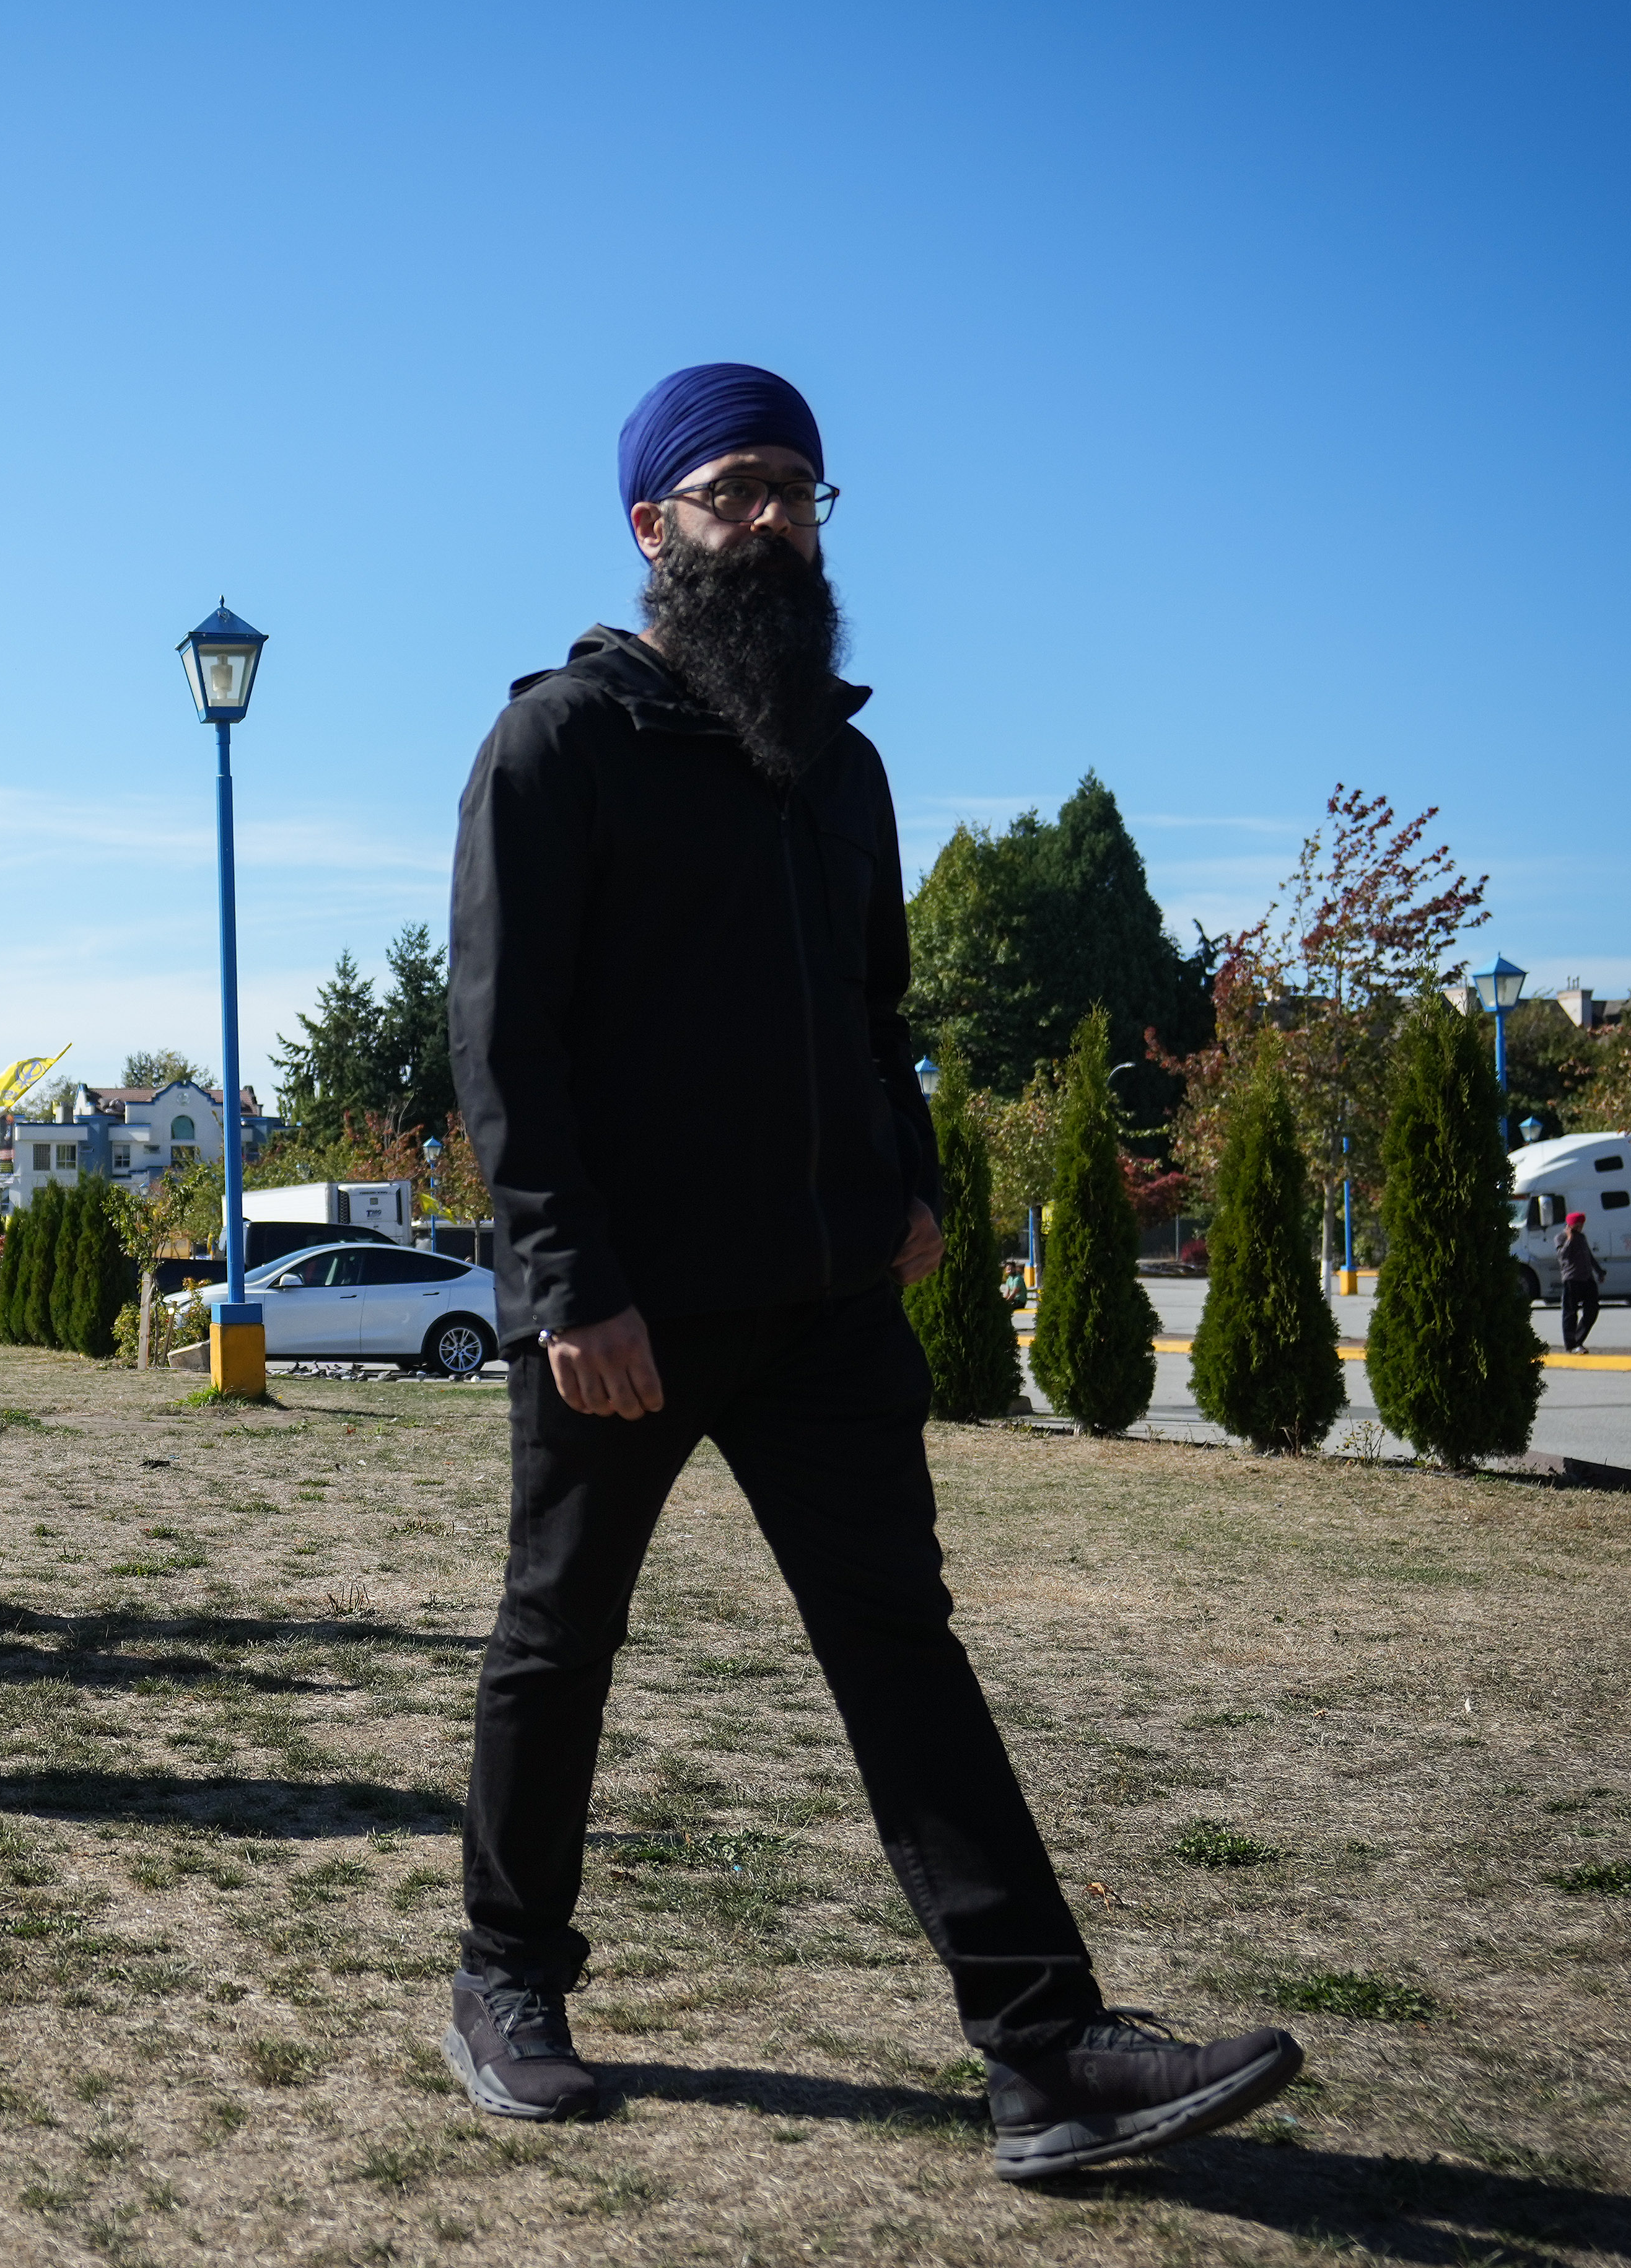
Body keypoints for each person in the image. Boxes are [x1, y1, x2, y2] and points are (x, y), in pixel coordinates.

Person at [439, 361, 1303, 2176]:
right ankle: (505, 1975)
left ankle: (1043, 2050)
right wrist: (567, 1280)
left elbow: (871, 1009)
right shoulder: (558, 745)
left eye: (799, 492)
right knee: (559, 1636)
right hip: (627, 1309)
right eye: (736, 486)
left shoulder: (841, 765)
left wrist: (908, 1180)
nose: (772, 519)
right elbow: (504, 1045)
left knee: (901, 1650)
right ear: (650, 520)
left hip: (824, 1291)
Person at [1556, 1211, 1604, 1354]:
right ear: (1570, 1226)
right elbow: (1562, 1256)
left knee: (1592, 1310)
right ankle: (1571, 1345)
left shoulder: (1582, 1238)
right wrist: (1570, 1239)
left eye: (1581, 1226)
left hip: (1587, 1279)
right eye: (1577, 1226)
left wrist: (1599, 1272)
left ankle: (1578, 1339)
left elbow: (1589, 1257)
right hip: (1571, 1279)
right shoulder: (1561, 1238)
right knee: (1570, 1313)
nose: (1580, 1229)